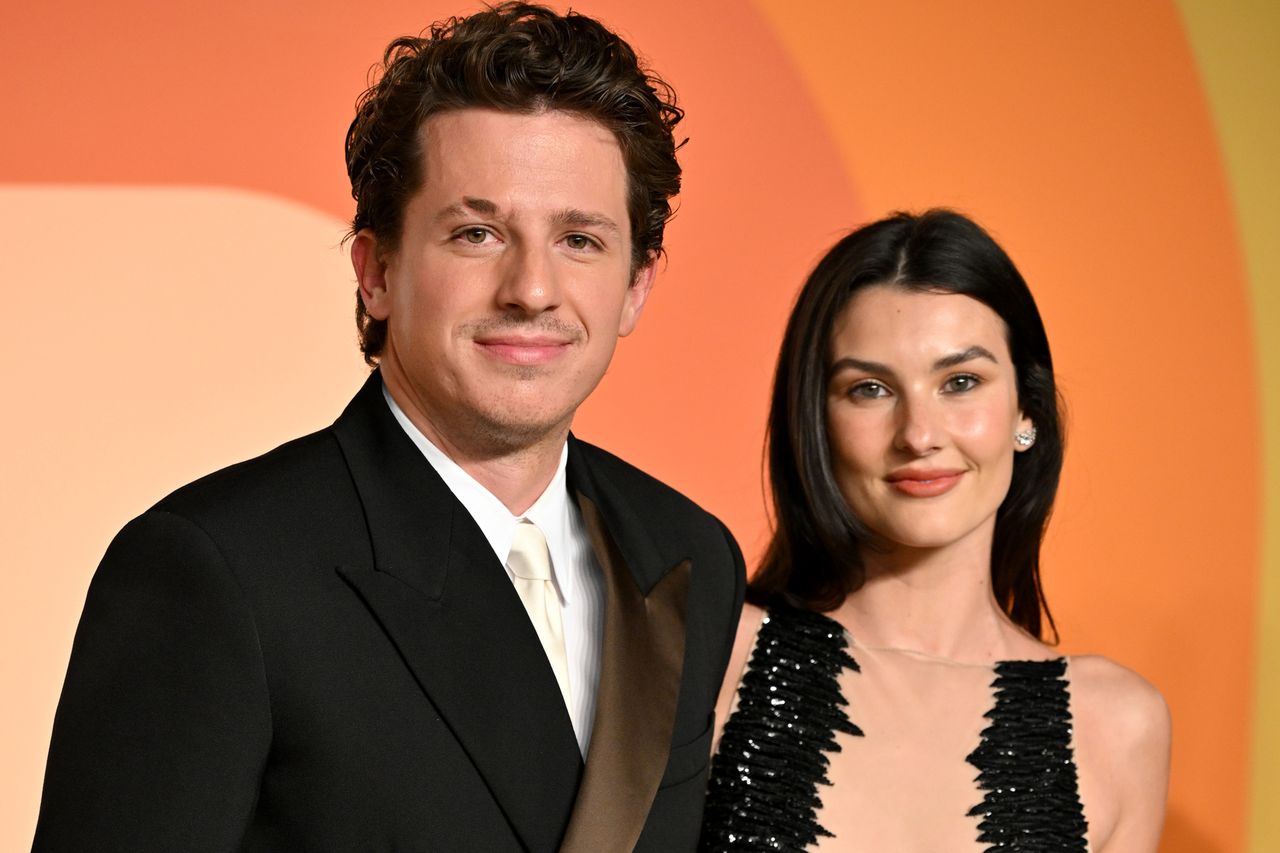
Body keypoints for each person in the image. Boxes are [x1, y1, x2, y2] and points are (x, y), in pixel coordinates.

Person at [34, 5, 744, 851]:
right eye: (477, 233)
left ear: (636, 284)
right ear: (376, 271)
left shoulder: (690, 554)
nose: (532, 288)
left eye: (580, 239)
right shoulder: (217, 572)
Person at [700, 210, 1170, 852]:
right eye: (869, 389)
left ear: (1024, 411)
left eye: (961, 382)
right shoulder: (717, 657)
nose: (919, 434)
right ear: (816, 419)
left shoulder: (1117, 724)